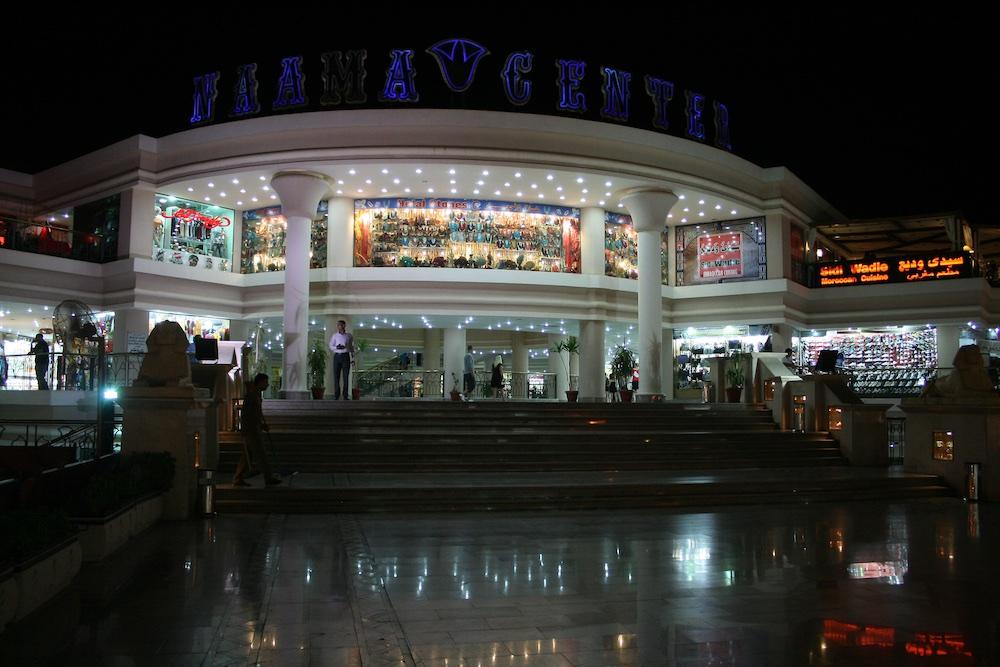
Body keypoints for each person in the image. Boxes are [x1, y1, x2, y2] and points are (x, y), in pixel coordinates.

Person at [234, 372, 281, 487]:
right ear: (260, 382)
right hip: (252, 430)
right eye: (265, 382)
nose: (267, 385)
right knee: (261, 453)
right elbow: (247, 414)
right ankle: (268, 477)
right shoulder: (251, 396)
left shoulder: (256, 395)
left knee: (247, 455)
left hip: (254, 428)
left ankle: (238, 477)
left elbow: (255, 414)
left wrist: (261, 425)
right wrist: (246, 429)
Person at [329, 319, 355, 400]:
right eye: (338, 325)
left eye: (340, 325)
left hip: (345, 356)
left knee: (346, 376)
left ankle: (345, 395)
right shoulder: (334, 335)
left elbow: (351, 348)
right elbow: (331, 345)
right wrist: (337, 347)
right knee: (336, 376)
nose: (339, 326)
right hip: (337, 356)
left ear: (344, 325)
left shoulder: (349, 336)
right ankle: (336, 395)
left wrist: (353, 359)